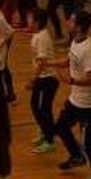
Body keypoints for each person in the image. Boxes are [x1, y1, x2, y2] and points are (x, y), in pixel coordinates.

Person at [51, 9, 91, 179]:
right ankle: (77, 155)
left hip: (88, 104)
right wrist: (49, 63)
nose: (68, 22)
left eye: (72, 21)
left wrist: (71, 81)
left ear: (80, 26)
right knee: (61, 127)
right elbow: (69, 61)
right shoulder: (75, 42)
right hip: (75, 99)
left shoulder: (89, 49)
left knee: (90, 143)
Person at [29, 9, 58, 154]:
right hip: (44, 78)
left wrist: (33, 79)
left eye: (31, 19)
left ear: (37, 22)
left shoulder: (41, 38)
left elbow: (42, 61)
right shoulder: (39, 35)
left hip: (46, 79)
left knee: (39, 108)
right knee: (42, 108)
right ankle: (46, 133)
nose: (29, 22)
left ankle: (49, 138)